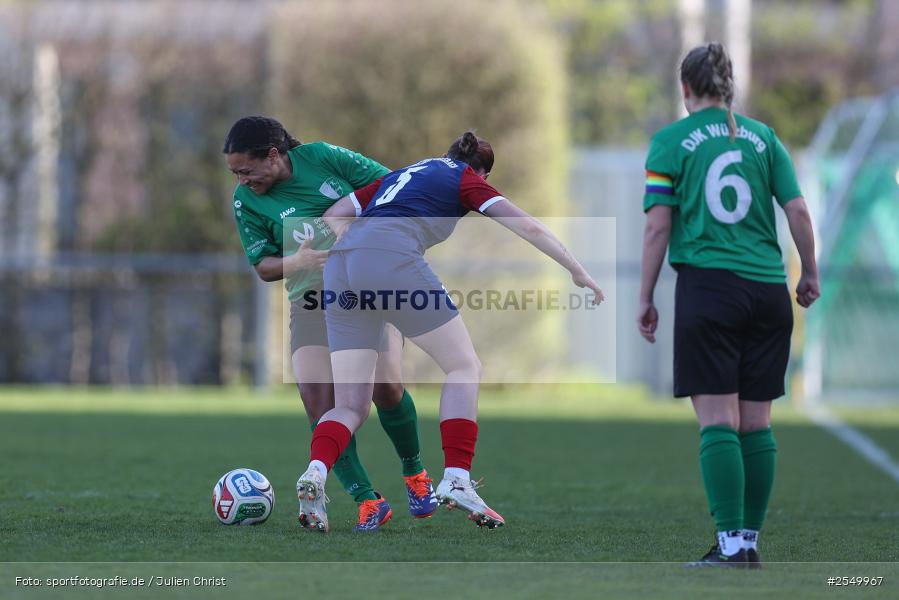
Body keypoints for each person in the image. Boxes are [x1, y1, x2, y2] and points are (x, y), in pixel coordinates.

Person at [293, 131, 604, 532]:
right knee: (464, 367)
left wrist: (353, 251)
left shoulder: (402, 174)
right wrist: (577, 270)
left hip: (340, 268)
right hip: (388, 256)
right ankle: (456, 478)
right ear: (481, 170)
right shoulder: (465, 178)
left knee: (351, 405)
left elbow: (335, 214)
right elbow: (528, 227)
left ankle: (316, 472)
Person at [637, 43, 820, 567]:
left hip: (710, 290)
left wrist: (646, 295)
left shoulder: (671, 141)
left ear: (686, 89)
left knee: (718, 420)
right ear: (729, 86)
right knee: (756, 424)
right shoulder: (764, 138)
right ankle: (749, 546)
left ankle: (731, 547)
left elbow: (657, 226)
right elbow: (800, 212)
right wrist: (809, 271)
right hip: (767, 291)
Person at [223, 116, 438, 532]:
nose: (241, 180)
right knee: (318, 402)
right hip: (310, 299)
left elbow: (391, 185)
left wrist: (356, 224)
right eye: (234, 173)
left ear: (274, 155)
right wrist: (296, 262)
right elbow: (263, 267)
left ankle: (416, 476)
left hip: (366, 290)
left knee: (387, 389)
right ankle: (367, 501)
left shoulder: (321, 158)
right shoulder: (244, 201)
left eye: (246, 170)